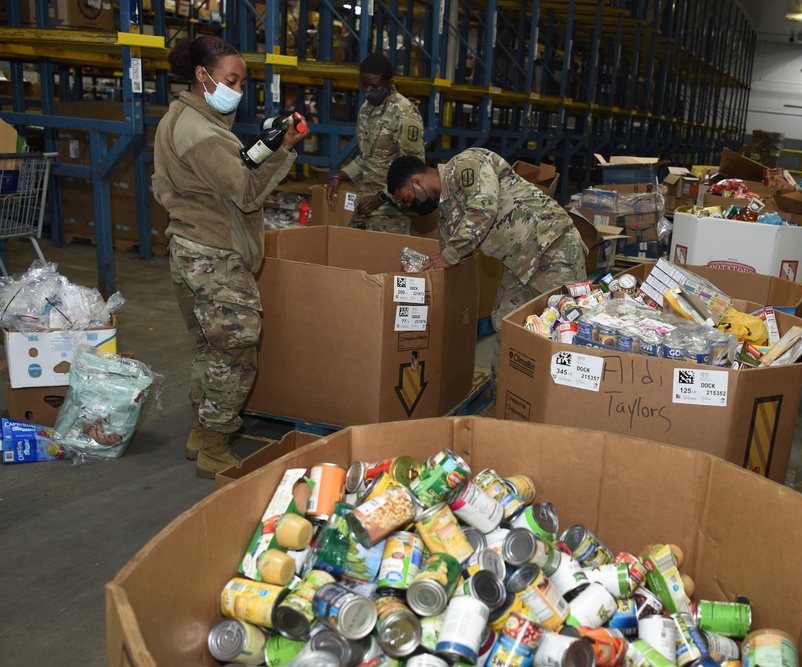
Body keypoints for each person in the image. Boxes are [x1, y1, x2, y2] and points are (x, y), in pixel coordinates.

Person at [152, 35, 308, 479]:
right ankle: (216, 447)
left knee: (211, 346)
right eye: (231, 80)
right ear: (203, 76)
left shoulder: (188, 119)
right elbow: (244, 191)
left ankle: (202, 433)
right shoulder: (200, 131)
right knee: (236, 352)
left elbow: (233, 170)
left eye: (242, 82)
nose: (237, 89)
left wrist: (264, 146)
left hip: (193, 249)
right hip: (213, 256)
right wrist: (285, 149)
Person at [386, 149, 587, 392]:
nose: (412, 205)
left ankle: (567, 401)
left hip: (552, 245)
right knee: (506, 322)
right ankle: (504, 396)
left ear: (417, 181)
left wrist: (449, 255)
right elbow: (446, 257)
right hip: (519, 264)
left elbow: (484, 206)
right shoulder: (447, 213)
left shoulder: (465, 164)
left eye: (408, 198)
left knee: (565, 328)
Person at [326, 53, 425, 234]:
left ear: (389, 83)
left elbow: (414, 170)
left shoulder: (404, 115)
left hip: (391, 211)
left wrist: (381, 197)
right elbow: (367, 157)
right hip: (365, 203)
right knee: (348, 254)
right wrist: (339, 177)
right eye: (364, 84)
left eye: (374, 86)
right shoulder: (367, 109)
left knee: (383, 261)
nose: (368, 90)